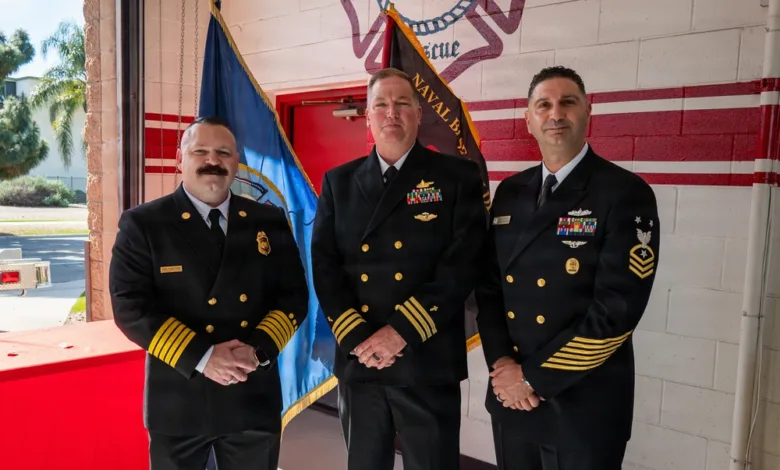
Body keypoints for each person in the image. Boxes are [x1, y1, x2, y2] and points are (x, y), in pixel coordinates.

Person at [475, 65, 660, 470]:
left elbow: (617, 311)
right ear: (528, 120)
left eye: (568, 102)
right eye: (543, 105)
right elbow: (489, 290)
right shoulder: (510, 192)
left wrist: (533, 378)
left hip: (583, 403)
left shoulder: (624, 193)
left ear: (588, 111)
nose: (555, 114)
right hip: (513, 401)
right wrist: (504, 366)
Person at [311, 67, 487, 470]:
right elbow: (324, 264)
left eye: (402, 103)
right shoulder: (339, 181)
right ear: (369, 116)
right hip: (361, 358)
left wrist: (400, 333)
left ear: (418, 113)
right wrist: (357, 337)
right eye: (381, 105)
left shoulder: (456, 177)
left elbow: (463, 264)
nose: (392, 112)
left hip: (425, 357)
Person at [108, 116, 308, 470]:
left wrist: (257, 351)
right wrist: (204, 357)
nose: (212, 160)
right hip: (180, 396)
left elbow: (293, 297)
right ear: (179, 159)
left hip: (251, 390)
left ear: (235, 161)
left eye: (223, 152)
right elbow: (130, 307)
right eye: (200, 151)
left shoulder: (268, 220)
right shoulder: (144, 224)